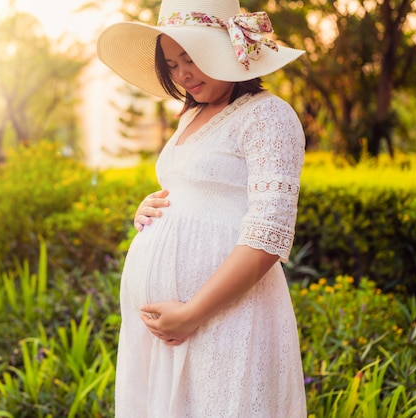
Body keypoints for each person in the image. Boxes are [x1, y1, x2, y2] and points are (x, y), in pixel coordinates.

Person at [96, 0, 308, 416]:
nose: (183, 75)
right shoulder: (190, 115)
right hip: (164, 331)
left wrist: (192, 312)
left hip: (224, 315)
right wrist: (154, 206)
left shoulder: (269, 116)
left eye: (191, 58)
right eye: (172, 64)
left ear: (230, 49)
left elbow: (270, 232)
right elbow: (194, 189)